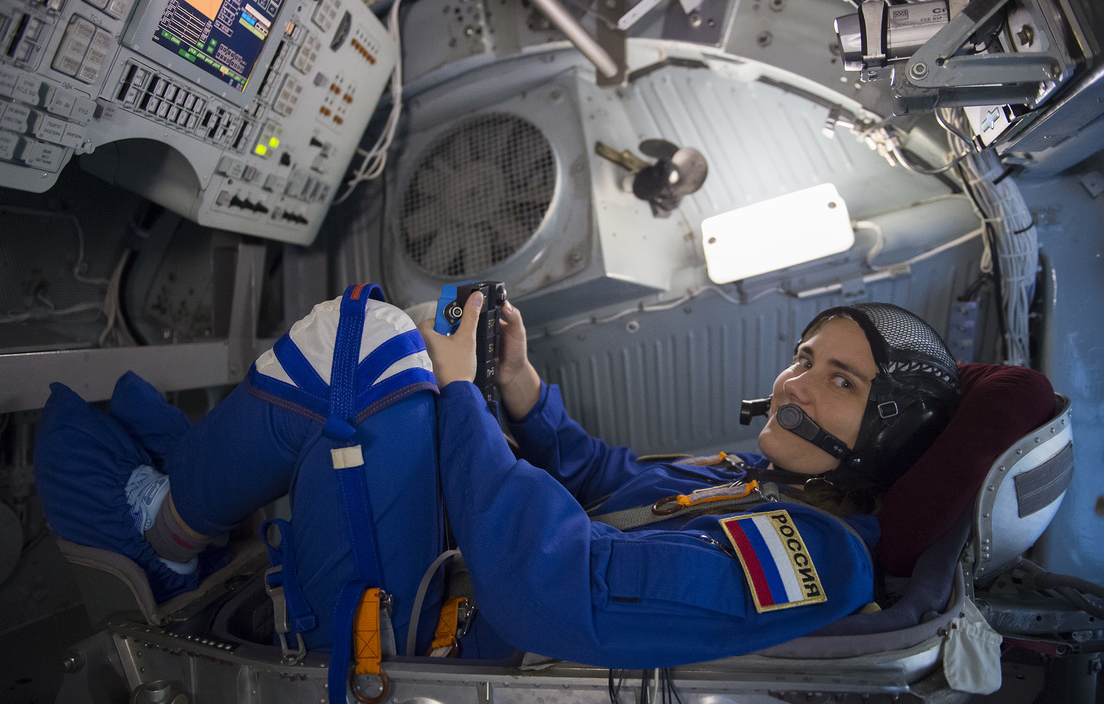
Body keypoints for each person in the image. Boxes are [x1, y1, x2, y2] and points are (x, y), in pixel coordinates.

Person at [33, 285, 960, 673]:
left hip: (433, 654)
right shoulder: (756, 478)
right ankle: (190, 487)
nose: (794, 384)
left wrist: (458, 399)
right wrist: (515, 385)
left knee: (358, 343)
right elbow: (609, 481)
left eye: (840, 382)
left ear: (888, 430)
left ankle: (164, 537)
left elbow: (558, 587)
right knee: (386, 339)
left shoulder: (815, 554)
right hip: (456, 585)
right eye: (803, 358)